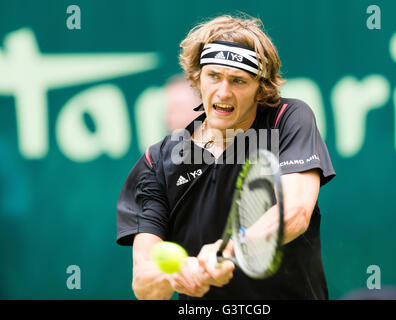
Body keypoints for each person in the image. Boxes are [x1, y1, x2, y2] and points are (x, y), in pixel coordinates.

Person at [116, 14, 336, 300]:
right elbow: (144, 286)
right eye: (214, 76)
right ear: (198, 77)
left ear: (261, 87)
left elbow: (295, 213)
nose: (224, 91)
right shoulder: (156, 162)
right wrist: (179, 273)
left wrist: (229, 249)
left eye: (238, 80)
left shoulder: (287, 118)